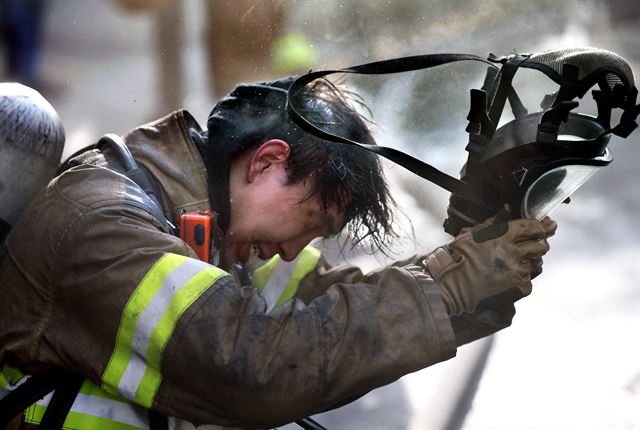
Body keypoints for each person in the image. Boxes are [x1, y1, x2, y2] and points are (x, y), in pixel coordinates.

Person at [0, 77, 556, 428]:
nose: (293, 253)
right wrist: (449, 286)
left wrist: (461, 274)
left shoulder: (214, 226)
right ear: (267, 161)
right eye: (310, 223)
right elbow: (253, 363)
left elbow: (324, 305)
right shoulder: (102, 227)